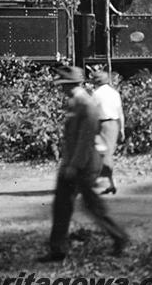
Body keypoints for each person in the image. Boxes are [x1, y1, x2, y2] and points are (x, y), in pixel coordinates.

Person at [38, 66, 128, 262]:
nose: (60, 89)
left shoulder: (85, 105)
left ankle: (119, 237)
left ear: (70, 85)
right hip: (75, 163)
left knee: (91, 206)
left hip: (84, 163)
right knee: (62, 205)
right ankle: (57, 250)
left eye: (63, 85)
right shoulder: (75, 102)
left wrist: (74, 165)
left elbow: (85, 139)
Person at [91, 70, 125, 195]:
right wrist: (122, 128)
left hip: (103, 124)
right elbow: (120, 112)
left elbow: (93, 113)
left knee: (103, 153)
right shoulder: (114, 93)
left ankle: (107, 182)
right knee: (107, 153)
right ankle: (110, 183)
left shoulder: (96, 94)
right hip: (114, 124)